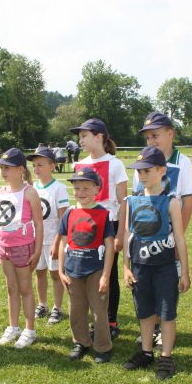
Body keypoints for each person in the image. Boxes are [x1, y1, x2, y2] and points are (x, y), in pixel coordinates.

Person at [122, 146, 190, 380]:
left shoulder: (171, 202)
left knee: (166, 313)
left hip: (164, 267)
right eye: (139, 171)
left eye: (147, 171)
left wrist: (186, 272)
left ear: (162, 171)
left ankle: (166, 357)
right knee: (145, 313)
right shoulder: (132, 201)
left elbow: (179, 237)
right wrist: (126, 266)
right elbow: (127, 236)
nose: (141, 175)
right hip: (140, 266)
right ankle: (146, 351)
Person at [132, 112, 192, 347]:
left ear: (171, 134)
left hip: (169, 237)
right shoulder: (142, 163)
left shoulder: (183, 161)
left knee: (166, 286)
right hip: (145, 237)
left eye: (156, 135)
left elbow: (187, 202)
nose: (152, 140)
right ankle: (151, 328)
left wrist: (178, 239)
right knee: (145, 284)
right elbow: (137, 200)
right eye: (148, 137)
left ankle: (162, 328)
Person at [71, 118, 128, 339]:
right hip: (84, 228)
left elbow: (124, 202)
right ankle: (93, 321)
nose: (80, 140)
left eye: (84, 135)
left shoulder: (115, 164)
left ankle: (110, 321)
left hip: (109, 227)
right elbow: (77, 202)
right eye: (80, 136)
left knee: (109, 276)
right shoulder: (79, 165)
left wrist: (120, 233)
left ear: (99, 137)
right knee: (87, 275)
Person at [58, 167, 115, 363]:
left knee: (99, 310)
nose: (81, 193)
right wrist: (60, 270)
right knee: (76, 309)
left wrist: (106, 275)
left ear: (96, 189)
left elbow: (109, 246)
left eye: (86, 188)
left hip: (95, 270)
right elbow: (63, 242)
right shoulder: (69, 213)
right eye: (77, 188)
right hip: (73, 269)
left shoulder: (103, 214)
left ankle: (103, 346)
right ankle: (81, 342)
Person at [0, 148, 43, 348]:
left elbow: (39, 223)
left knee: (25, 288)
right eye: (2, 168)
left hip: (23, 247)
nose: (3, 171)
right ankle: (13, 327)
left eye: (8, 168)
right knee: (11, 288)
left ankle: (29, 330)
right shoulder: (2, 191)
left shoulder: (29, 192)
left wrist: (37, 251)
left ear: (21, 169)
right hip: (4, 247)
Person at [26, 147, 70, 324]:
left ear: (52, 166)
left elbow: (63, 218)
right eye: (34, 165)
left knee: (55, 274)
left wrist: (57, 242)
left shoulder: (59, 188)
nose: (36, 169)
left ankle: (57, 308)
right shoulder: (31, 188)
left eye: (40, 165)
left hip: (53, 239)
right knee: (40, 272)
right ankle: (42, 304)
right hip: (36, 241)